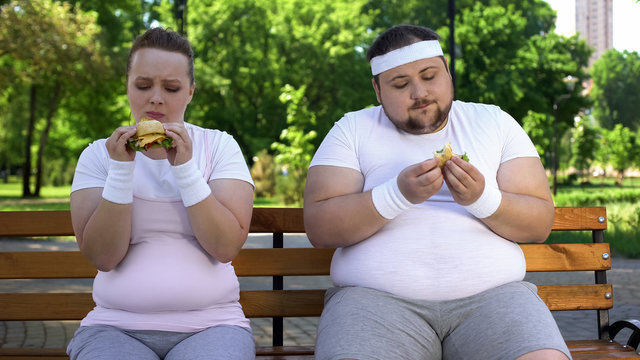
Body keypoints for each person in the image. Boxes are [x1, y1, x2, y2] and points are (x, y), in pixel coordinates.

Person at [304, 25, 570, 360]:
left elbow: (539, 223)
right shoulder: (351, 129)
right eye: (400, 84)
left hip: (495, 299)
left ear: (448, 72)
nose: (419, 92)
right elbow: (319, 226)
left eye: (430, 76)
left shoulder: (495, 123)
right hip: (372, 303)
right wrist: (397, 195)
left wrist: (482, 199)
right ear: (377, 89)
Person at [67, 27, 255, 360]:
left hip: (212, 325)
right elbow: (103, 257)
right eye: (143, 85)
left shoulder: (220, 146)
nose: (156, 97)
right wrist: (121, 171)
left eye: (171, 87)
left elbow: (225, 247)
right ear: (127, 87)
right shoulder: (98, 156)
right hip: (114, 326)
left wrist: (185, 169)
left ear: (190, 92)